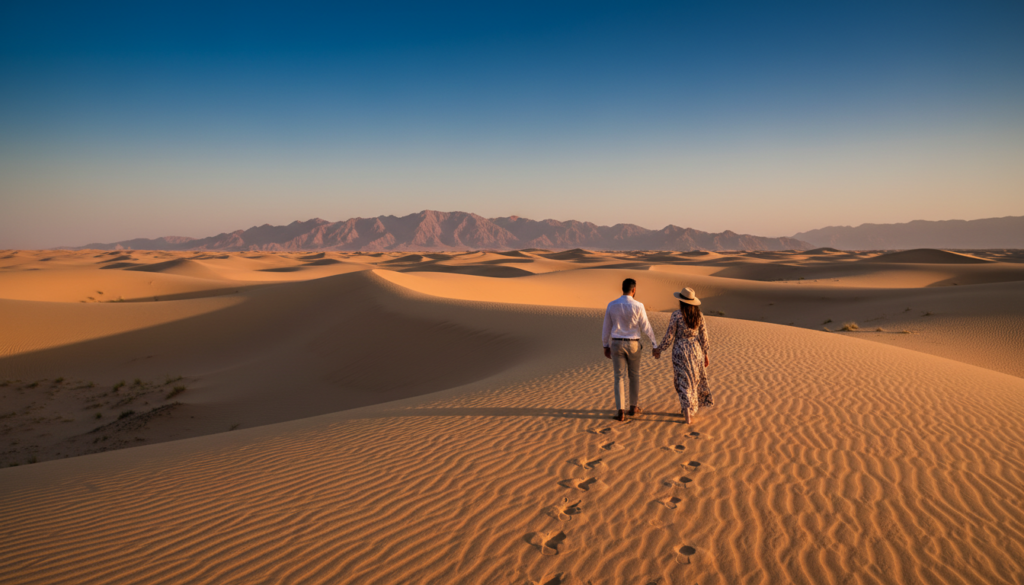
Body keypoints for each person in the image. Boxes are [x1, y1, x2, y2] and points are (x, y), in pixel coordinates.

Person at [602, 278, 660, 421]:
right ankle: (633, 407)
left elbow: (606, 327)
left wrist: (605, 345)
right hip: (633, 344)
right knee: (634, 376)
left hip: (616, 343)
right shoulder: (638, 305)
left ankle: (621, 410)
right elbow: (646, 326)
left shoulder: (612, 305)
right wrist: (654, 344)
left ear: (622, 289)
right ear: (634, 290)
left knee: (619, 377)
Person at [653, 287, 714, 424]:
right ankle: (691, 411)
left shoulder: (676, 315)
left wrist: (659, 349)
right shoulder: (699, 315)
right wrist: (705, 354)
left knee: (682, 381)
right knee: (694, 381)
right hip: (696, 351)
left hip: (680, 351)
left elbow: (669, 336)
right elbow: (704, 337)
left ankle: (687, 413)